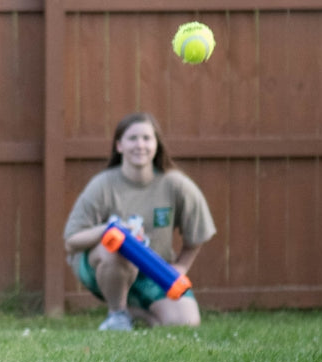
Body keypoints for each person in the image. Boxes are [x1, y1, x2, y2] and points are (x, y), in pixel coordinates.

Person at [63, 112, 216, 330]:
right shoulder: (102, 185)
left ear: (157, 145)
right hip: (105, 266)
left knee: (185, 323)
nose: (140, 145)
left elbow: (198, 235)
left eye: (147, 138)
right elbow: (71, 241)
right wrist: (110, 230)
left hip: (154, 270)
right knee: (114, 247)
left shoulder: (176, 184)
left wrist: (181, 266)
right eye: (132, 138)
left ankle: (135, 313)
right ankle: (117, 315)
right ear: (119, 146)